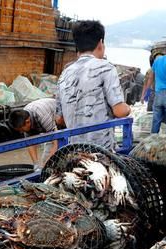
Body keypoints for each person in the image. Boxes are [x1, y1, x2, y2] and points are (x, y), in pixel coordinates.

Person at [56, 20, 131, 151]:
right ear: (101, 43)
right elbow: (119, 111)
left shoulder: (65, 73)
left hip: (73, 150)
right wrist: (128, 109)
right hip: (101, 151)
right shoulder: (106, 68)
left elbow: (60, 120)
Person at [9, 98, 59, 169]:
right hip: (47, 125)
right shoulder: (23, 118)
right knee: (45, 163)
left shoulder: (42, 115)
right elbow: (30, 143)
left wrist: (48, 162)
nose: (21, 132)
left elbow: (55, 143)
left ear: (28, 122)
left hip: (59, 117)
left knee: (52, 161)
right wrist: (36, 164)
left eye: (21, 129)